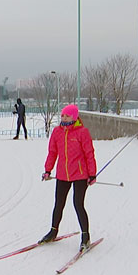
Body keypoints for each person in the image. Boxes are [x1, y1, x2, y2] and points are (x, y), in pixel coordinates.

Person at [39, 104, 97, 252]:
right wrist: (47, 170)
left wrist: (92, 174)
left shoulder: (82, 132)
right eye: (63, 115)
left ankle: (85, 236)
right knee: (59, 204)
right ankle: (53, 231)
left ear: (75, 117)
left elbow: (89, 153)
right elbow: (52, 152)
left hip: (80, 174)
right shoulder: (57, 132)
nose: (64, 118)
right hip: (63, 174)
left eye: (68, 115)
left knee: (78, 204)